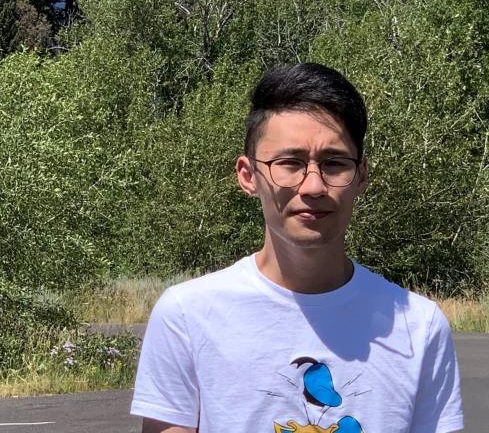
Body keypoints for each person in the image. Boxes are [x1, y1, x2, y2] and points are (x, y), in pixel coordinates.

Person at [131, 62, 464, 433]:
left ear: (361, 176)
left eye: (334, 163)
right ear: (248, 175)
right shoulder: (187, 317)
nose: (313, 186)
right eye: (289, 163)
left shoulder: (419, 326)